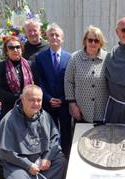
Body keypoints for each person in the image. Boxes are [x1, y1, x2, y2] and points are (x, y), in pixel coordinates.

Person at [0, 85, 67, 179]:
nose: (36, 103)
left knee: (61, 162)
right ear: (22, 99)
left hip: (42, 158)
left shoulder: (45, 115)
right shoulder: (8, 120)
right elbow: (6, 152)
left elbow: (54, 139)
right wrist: (28, 165)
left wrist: (47, 157)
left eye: (39, 100)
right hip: (19, 164)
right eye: (31, 100)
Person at [32, 23, 72, 156]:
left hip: (64, 103)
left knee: (66, 131)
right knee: (48, 132)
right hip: (47, 103)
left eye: (57, 35)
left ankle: (66, 156)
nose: (54, 37)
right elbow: (39, 81)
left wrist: (62, 99)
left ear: (62, 38)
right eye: (51, 35)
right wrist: (48, 98)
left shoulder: (70, 58)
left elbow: (71, 81)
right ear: (47, 37)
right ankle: (51, 157)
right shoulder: (40, 58)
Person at [64, 25, 108, 123]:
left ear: (100, 43)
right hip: (81, 112)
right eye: (90, 40)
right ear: (85, 41)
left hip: (102, 112)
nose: (93, 43)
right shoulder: (75, 58)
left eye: (96, 40)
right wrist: (72, 105)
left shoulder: (107, 58)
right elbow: (68, 82)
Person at [0, 36, 34, 117]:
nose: (15, 50)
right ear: (6, 51)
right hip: (9, 108)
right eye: (11, 48)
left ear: (21, 49)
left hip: (29, 105)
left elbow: (37, 84)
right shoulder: (0, 67)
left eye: (17, 47)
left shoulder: (30, 65)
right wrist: (18, 98)